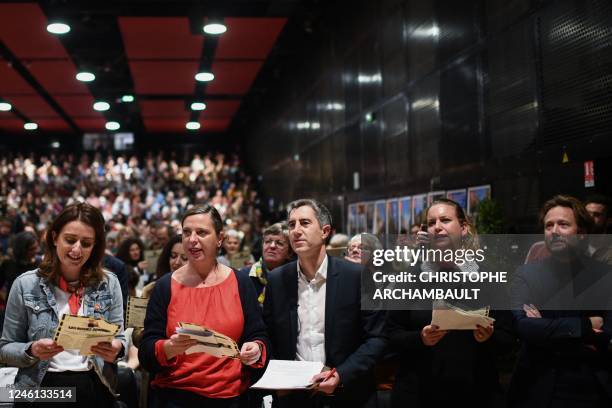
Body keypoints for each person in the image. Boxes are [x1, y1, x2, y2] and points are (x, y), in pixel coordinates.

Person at [386, 198, 513, 408]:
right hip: (420, 393)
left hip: (476, 392)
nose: (437, 227)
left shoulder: (488, 276)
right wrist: (421, 338)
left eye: (445, 220)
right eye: (431, 222)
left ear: (463, 228)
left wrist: (488, 337)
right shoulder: (410, 277)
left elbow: (508, 337)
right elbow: (391, 334)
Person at [139, 204, 269, 407]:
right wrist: (168, 348)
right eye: (187, 232)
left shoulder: (240, 282)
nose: (192, 240)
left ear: (220, 239)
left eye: (201, 232)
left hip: (232, 397)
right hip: (175, 396)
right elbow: (146, 350)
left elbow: (258, 334)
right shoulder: (165, 285)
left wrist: (255, 349)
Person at [0, 202, 126, 407]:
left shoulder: (109, 283)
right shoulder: (25, 284)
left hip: (94, 384)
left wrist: (117, 348)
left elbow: (120, 338)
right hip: (42, 388)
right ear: (54, 237)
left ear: (95, 247)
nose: (77, 249)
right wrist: (32, 350)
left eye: (86, 243)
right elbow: (5, 348)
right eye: (70, 240)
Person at [263, 198, 386, 408]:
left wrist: (341, 375)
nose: (296, 230)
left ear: (325, 231)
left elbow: (377, 338)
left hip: (348, 393)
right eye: (292, 225)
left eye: (305, 223)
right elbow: (268, 334)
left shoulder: (357, 277)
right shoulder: (277, 280)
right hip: (295, 397)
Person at [509, 195, 612, 408]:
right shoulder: (526, 274)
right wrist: (586, 326)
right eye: (549, 225)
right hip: (536, 385)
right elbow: (524, 326)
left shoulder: (605, 275)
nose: (554, 231)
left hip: (591, 386)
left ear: (581, 234)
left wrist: (545, 331)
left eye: (563, 224)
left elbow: (608, 335)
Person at [239, 222, 293, 306]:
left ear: (289, 253)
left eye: (279, 243)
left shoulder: (294, 279)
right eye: (267, 241)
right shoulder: (244, 275)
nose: (272, 246)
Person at [141, 234, 187, 299]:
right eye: (173, 256)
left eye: (185, 258)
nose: (177, 262)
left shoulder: (200, 290)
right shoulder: (153, 288)